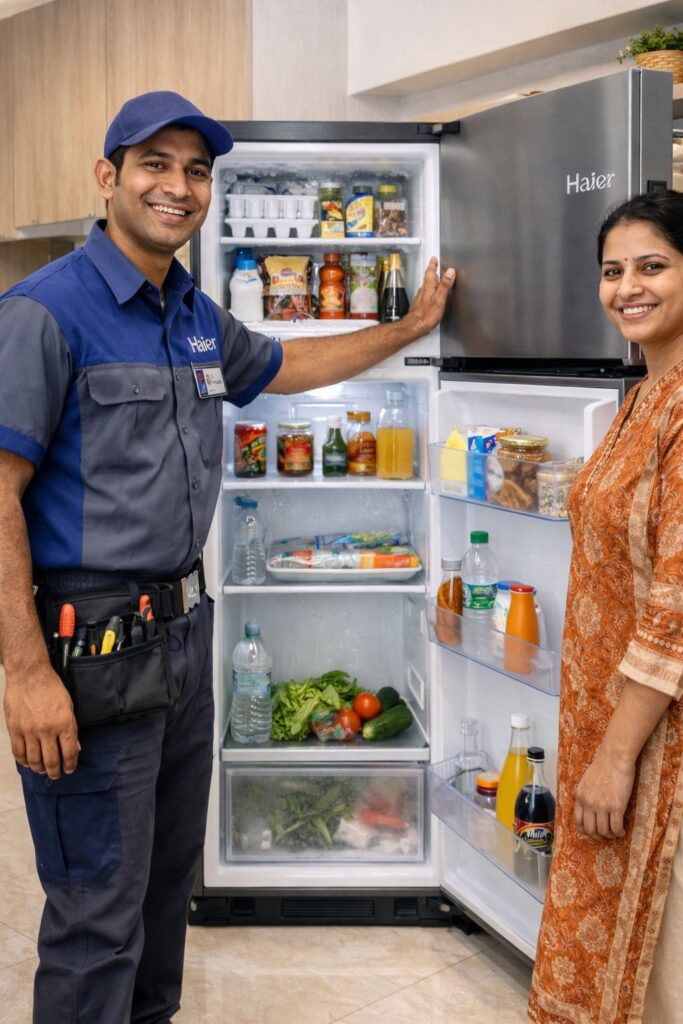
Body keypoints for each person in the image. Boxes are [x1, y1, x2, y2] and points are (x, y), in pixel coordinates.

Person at [0, 91, 455, 1024]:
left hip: (182, 640)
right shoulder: (43, 312)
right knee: (97, 918)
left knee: (164, 896)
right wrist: (24, 670)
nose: (177, 187)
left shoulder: (194, 313)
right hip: (88, 646)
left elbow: (287, 365)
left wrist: (406, 331)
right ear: (108, 177)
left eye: (196, 170)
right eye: (154, 165)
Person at [529, 190, 683, 1024]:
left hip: (659, 743)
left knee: (659, 959)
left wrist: (617, 754)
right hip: (606, 715)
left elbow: (676, 600)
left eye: (652, 266)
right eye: (612, 270)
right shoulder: (643, 394)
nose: (627, 286)